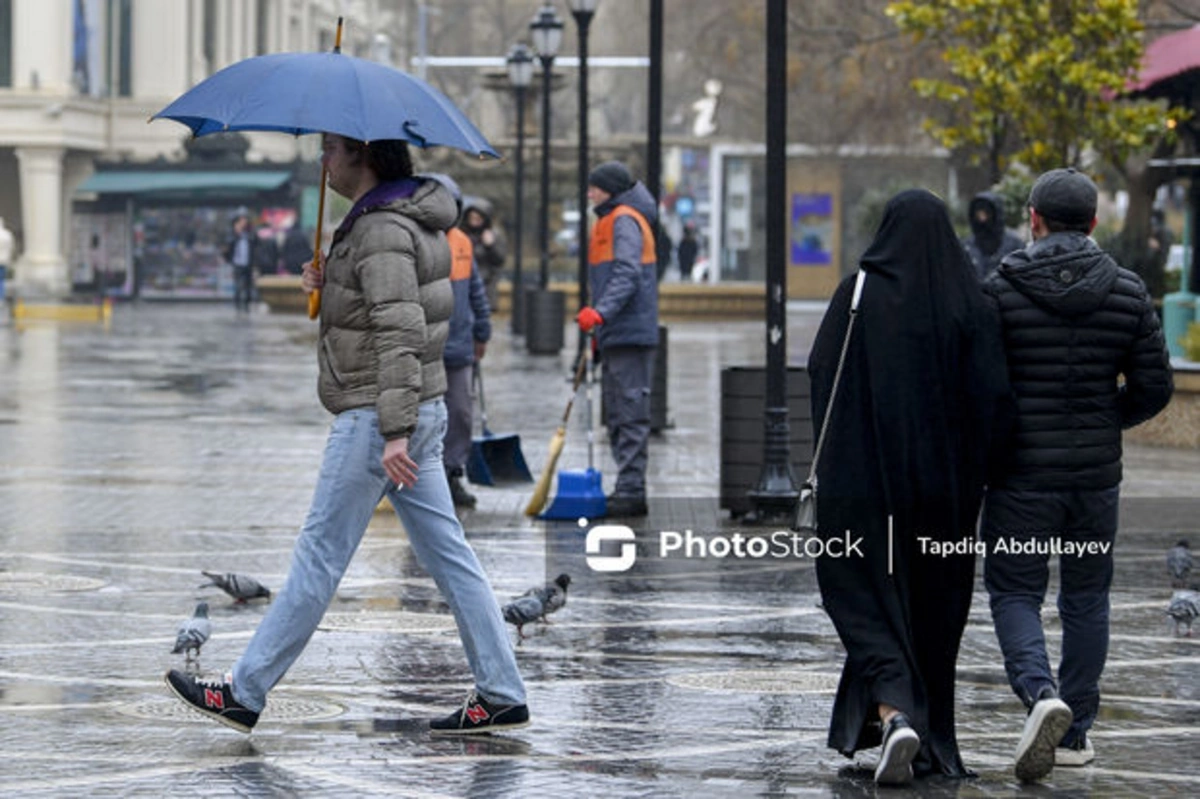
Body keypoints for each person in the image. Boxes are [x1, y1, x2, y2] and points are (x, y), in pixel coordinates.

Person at [164, 134, 529, 736]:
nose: (322, 160)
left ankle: (244, 692)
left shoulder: (381, 227)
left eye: (332, 149)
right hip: (418, 409)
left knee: (319, 555)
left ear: (365, 156)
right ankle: (501, 690)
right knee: (451, 558)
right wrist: (328, 280)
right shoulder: (399, 217)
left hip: (377, 416)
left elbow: (399, 327)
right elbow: (380, 304)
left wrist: (393, 431)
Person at [809, 189, 1013, 785]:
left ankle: (896, 713)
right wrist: (983, 471)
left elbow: (823, 372)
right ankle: (925, 734)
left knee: (861, 594)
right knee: (932, 606)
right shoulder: (971, 304)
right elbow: (995, 400)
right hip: (944, 492)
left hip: (863, 482)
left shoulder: (858, 294)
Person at [980, 168, 1173, 781]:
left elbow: (980, 387)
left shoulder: (1000, 291)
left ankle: (1042, 697)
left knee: (1014, 591)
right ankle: (1076, 730)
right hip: (1095, 478)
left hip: (1020, 476)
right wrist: (1101, 421)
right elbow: (1156, 387)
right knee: (1087, 596)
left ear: (1032, 218)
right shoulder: (1127, 290)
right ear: (1093, 223)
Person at [576, 161, 659, 518]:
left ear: (609, 189)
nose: (590, 193)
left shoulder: (623, 220)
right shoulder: (611, 220)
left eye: (594, 187)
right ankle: (627, 485)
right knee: (620, 410)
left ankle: (631, 488)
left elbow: (627, 274)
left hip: (628, 331)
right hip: (619, 331)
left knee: (629, 410)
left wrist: (601, 313)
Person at [433, 174, 492, 510]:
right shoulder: (417, 239)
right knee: (426, 416)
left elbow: (475, 291)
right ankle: (425, 478)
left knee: (460, 412)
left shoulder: (462, 243)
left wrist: (482, 330)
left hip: (458, 346)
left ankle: (452, 472)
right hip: (425, 346)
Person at [962, 191, 1024, 280]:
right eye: (978, 215)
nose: (982, 220)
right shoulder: (966, 247)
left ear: (996, 214)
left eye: (986, 214)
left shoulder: (1015, 245)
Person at [459, 197, 506, 309]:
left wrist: (490, 246)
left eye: (478, 218)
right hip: (464, 284)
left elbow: (499, 260)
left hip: (485, 285)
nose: (475, 221)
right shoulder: (462, 234)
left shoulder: (493, 235)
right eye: (472, 218)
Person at [225, 212, 257, 311]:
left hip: (248, 263)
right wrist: (236, 233)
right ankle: (237, 304)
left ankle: (247, 305)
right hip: (237, 263)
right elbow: (228, 245)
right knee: (238, 285)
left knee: (248, 285)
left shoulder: (250, 234)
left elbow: (256, 243)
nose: (243, 223)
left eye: (245, 221)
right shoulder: (233, 234)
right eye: (241, 221)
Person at [0, 216, 13, 306]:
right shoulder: (7, 235)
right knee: (1, 281)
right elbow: (11, 247)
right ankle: (1, 299)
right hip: (4, 261)